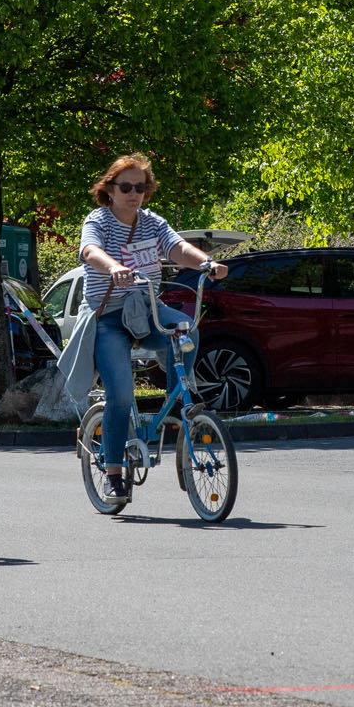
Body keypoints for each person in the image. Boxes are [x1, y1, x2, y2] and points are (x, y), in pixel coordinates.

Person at [78, 153, 227, 505]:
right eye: (126, 187)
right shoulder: (98, 219)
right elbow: (89, 250)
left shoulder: (152, 223)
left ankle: (178, 405)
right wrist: (113, 267)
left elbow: (177, 247)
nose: (134, 194)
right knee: (121, 394)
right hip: (109, 318)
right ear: (109, 189)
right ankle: (113, 472)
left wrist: (206, 263)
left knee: (186, 331)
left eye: (140, 187)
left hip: (146, 310)